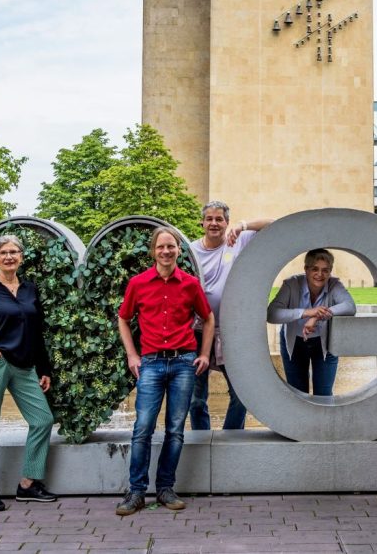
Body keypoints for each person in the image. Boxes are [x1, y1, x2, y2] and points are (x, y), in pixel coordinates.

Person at [115, 227, 214, 516]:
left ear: (179, 251)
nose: (166, 251)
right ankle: (136, 492)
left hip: (184, 363)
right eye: (161, 247)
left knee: (175, 429)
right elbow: (123, 319)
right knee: (143, 428)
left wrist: (204, 354)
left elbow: (208, 318)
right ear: (153, 251)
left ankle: (165, 488)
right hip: (151, 364)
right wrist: (132, 355)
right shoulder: (138, 283)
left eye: (171, 246)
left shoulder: (190, 284)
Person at [0, 234, 57, 512]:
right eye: (3, 253)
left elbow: (37, 332)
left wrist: (44, 368)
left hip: (25, 365)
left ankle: (27, 484)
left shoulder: (29, 289)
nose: (9, 256)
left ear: (21, 257)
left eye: (14, 252)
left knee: (43, 419)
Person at [188, 201, 273, 430]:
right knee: (196, 398)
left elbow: (275, 225)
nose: (214, 223)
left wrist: (243, 225)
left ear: (227, 222)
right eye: (209, 219)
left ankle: (231, 437)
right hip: (197, 330)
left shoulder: (238, 241)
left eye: (219, 219)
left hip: (230, 331)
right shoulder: (191, 250)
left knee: (240, 393)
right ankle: (202, 438)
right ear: (202, 223)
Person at [266, 249, 355, 395]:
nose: (320, 274)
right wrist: (306, 313)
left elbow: (350, 306)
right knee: (298, 394)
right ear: (306, 269)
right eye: (315, 269)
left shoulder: (334, 284)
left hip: (324, 342)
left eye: (325, 270)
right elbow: (272, 314)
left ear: (330, 271)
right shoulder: (291, 284)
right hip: (295, 342)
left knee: (324, 394)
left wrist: (317, 316)